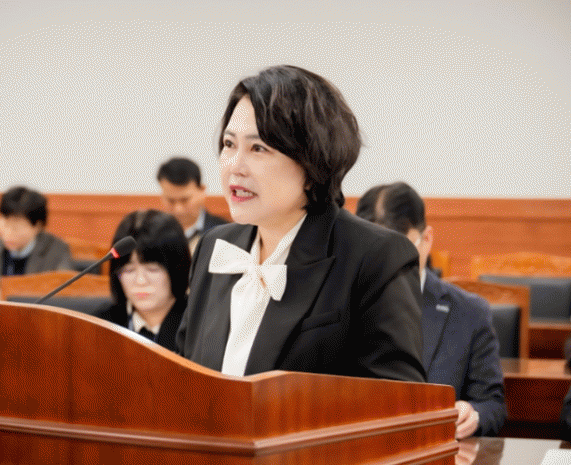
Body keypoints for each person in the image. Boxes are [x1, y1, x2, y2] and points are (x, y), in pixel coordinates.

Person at [176, 65, 426, 382]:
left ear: (312, 162)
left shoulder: (376, 257)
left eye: (258, 148)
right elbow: (185, 378)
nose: (235, 167)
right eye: (229, 144)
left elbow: (396, 398)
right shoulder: (215, 246)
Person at [356, 181, 506, 438]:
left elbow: (493, 405)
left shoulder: (470, 312)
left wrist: (473, 413)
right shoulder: (341, 304)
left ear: (426, 239)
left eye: (400, 251)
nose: (387, 265)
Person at [97, 210, 191, 351]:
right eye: (129, 270)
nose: (140, 281)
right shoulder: (99, 326)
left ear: (176, 269)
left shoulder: (198, 326)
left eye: (152, 269)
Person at [0, 186, 72, 299]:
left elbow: (67, 294)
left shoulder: (57, 250)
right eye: (5, 224)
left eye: (16, 228)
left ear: (37, 226)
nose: (8, 233)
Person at [157, 157, 228, 253]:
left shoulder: (225, 233)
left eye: (185, 200)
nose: (178, 209)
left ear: (202, 191)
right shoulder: (152, 234)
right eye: (171, 200)